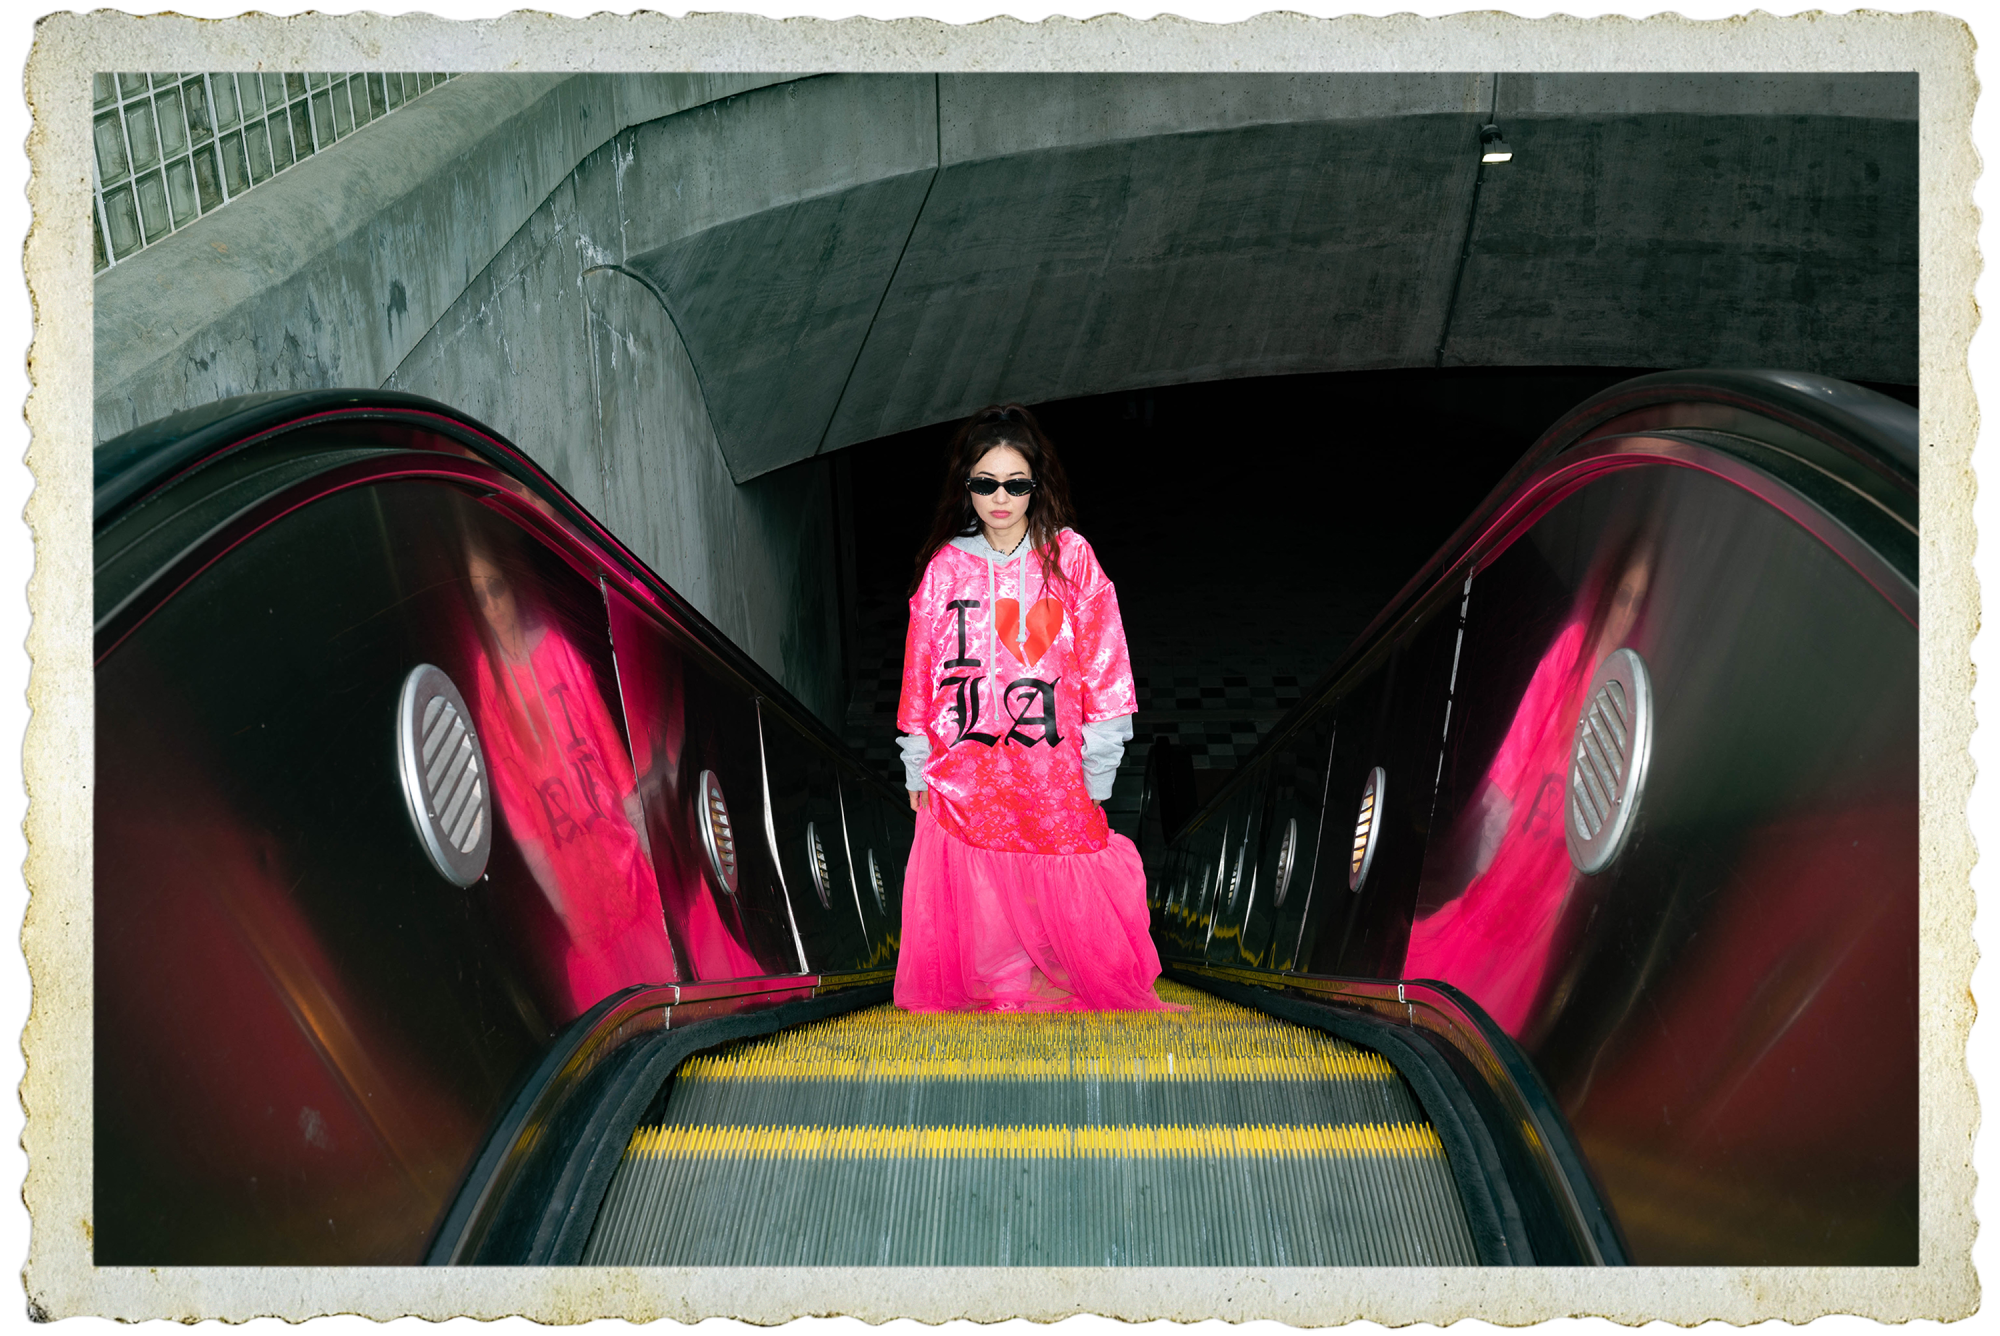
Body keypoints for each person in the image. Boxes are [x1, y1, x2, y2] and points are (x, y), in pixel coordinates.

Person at [892, 404, 1179, 1012]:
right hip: (967, 768)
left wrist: (1100, 765)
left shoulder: (1070, 560)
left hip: (1053, 767)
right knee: (986, 878)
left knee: (1064, 859)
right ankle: (1004, 987)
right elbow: (921, 670)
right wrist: (917, 761)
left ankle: (1069, 977)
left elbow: (1106, 666)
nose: (1001, 498)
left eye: (1015, 484)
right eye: (985, 483)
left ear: (1035, 485)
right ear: (966, 486)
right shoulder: (946, 567)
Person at [461, 534, 682, 1018]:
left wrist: (642, 842)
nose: (494, 608)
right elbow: (517, 806)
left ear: (512, 587)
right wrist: (557, 896)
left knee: (664, 991)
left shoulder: (557, 651)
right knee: (620, 1011)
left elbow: (610, 751)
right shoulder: (488, 681)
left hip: (620, 856)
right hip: (576, 882)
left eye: (496, 589)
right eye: (481, 598)